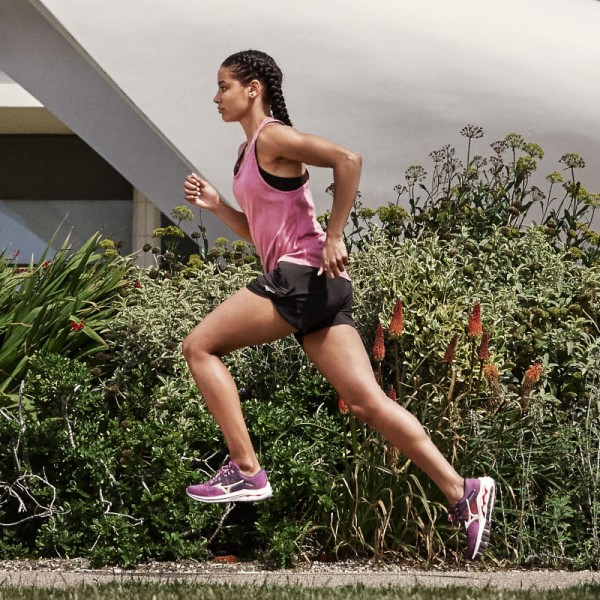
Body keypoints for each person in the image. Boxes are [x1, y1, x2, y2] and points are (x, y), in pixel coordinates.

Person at [182, 49, 495, 560]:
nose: (216, 97)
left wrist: (335, 234)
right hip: (313, 285)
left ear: (253, 88)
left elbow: (349, 160)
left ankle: (244, 469)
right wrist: (219, 207)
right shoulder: (247, 156)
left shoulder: (274, 137)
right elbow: (262, 234)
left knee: (199, 347)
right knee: (371, 403)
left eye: (223, 86)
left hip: (304, 277)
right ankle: (463, 491)